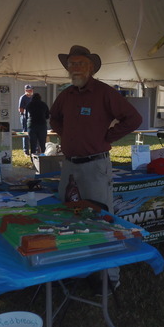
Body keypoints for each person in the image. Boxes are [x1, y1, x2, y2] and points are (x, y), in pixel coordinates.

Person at [50, 45, 142, 293]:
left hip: (95, 165)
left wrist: (108, 137)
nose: (75, 68)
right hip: (69, 165)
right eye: (71, 64)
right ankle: (78, 270)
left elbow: (133, 119)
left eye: (80, 63)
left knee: (103, 219)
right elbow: (54, 117)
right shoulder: (66, 94)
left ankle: (110, 278)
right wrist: (66, 134)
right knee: (68, 216)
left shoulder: (104, 93)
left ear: (91, 68)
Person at [18, 84, 34, 155]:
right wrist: (26, 112)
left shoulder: (33, 98)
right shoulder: (23, 98)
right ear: (26, 90)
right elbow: (20, 109)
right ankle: (26, 150)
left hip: (32, 118)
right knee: (25, 132)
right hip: (24, 118)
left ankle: (34, 149)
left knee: (33, 132)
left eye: (31, 90)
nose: (31, 91)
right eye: (29, 90)